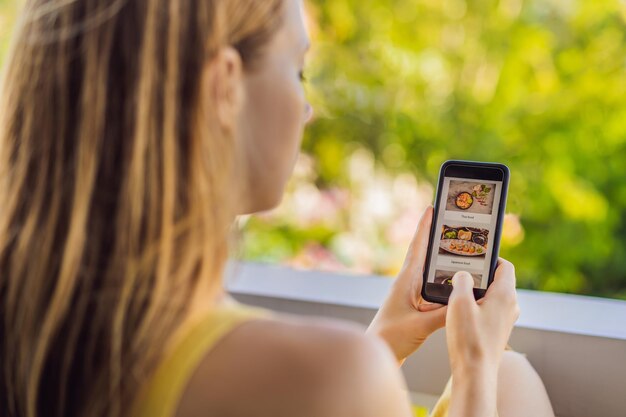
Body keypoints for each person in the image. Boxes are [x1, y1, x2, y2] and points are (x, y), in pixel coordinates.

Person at [0, 0, 555, 416]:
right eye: (299, 70)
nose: (307, 108)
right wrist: (476, 369)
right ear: (224, 88)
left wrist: (384, 337)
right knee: (509, 380)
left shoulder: (38, 319)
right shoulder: (329, 379)